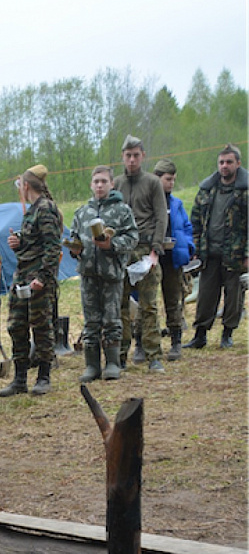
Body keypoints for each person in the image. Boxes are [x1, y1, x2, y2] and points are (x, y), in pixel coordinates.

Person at [67, 166, 138, 383]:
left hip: (111, 274)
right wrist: (75, 250)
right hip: (88, 273)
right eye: (96, 181)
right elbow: (73, 237)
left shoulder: (122, 211)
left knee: (111, 319)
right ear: (91, 184)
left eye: (103, 181)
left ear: (111, 184)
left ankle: (113, 363)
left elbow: (133, 238)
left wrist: (112, 244)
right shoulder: (82, 213)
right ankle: (92, 365)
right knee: (91, 321)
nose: (99, 185)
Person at [0, 165, 63, 397]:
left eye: (20, 186)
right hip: (22, 276)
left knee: (41, 326)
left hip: (38, 279)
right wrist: (20, 241)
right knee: (16, 325)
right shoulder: (32, 210)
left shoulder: (45, 208)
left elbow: (52, 247)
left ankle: (44, 376)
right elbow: (34, 243)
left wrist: (43, 278)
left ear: (26, 186)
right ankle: (19, 378)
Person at [113, 135, 168, 371]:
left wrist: (155, 250)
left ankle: (153, 354)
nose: (132, 160)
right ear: (123, 157)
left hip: (146, 250)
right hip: (122, 250)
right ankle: (121, 354)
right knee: (121, 305)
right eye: (128, 156)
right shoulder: (116, 184)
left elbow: (161, 217)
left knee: (148, 305)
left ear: (143, 156)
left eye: (136, 155)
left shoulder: (153, 183)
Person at [187, 144, 248, 349]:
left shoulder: (245, 191)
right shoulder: (207, 190)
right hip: (209, 252)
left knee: (234, 296)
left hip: (235, 253)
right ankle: (200, 335)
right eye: (221, 162)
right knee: (205, 295)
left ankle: (227, 334)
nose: (224, 166)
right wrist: (195, 245)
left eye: (229, 162)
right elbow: (195, 220)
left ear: (238, 164)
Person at [152, 159, 195, 360]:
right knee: (148, 302)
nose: (171, 183)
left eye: (173, 180)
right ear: (157, 179)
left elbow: (186, 227)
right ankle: (147, 343)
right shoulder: (149, 202)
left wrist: (188, 246)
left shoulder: (176, 204)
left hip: (173, 258)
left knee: (173, 301)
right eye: (168, 179)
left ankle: (176, 341)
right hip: (153, 257)